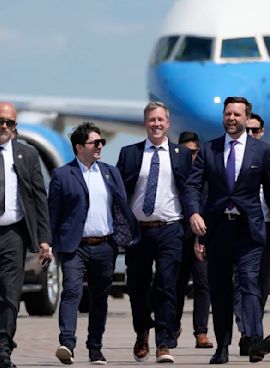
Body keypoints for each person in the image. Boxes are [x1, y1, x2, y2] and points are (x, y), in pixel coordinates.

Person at [184, 96, 270, 364]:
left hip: (250, 230)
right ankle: (222, 346)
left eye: (237, 114)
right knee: (220, 290)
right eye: (228, 114)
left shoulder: (262, 151)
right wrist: (194, 213)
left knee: (249, 283)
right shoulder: (209, 150)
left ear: (246, 118)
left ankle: (255, 339)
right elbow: (192, 186)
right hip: (218, 230)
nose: (231, 118)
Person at [49, 121, 139, 365]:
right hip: (74, 246)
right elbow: (53, 213)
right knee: (72, 292)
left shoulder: (111, 172)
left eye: (102, 142)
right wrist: (47, 243)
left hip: (105, 246)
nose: (100, 146)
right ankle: (67, 343)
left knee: (100, 298)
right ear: (79, 147)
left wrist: (125, 234)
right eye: (95, 142)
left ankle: (95, 348)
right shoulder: (62, 175)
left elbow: (120, 207)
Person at [117, 101, 192, 364]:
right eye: (152, 120)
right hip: (138, 231)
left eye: (161, 120)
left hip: (170, 228)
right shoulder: (129, 153)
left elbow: (188, 191)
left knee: (167, 286)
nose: (157, 124)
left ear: (168, 123)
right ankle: (142, 332)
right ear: (145, 123)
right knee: (137, 287)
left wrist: (194, 217)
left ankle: (164, 342)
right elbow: (120, 193)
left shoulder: (181, 154)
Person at [0, 102, 51, 368]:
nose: (4, 127)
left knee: (10, 293)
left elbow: (38, 198)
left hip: (13, 234)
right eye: (0, 121)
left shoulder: (26, 155)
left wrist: (44, 238)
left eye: (10, 123)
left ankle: (3, 349)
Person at [233, 113, 270, 355]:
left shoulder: (269, 157)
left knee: (262, 283)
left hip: (266, 228)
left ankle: (250, 330)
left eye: (256, 130)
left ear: (262, 131)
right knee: (243, 282)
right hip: (241, 227)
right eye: (247, 130)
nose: (251, 135)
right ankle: (250, 333)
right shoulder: (235, 160)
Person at [175, 131, 213, 349]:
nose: (191, 156)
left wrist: (203, 237)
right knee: (176, 285)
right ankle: (173, 327)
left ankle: (201, 332)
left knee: (202, 283)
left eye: (195, 152)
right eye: (186, 152)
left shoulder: (205, 175)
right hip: (178, 236)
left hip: (200, 235)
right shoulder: (174, 172)